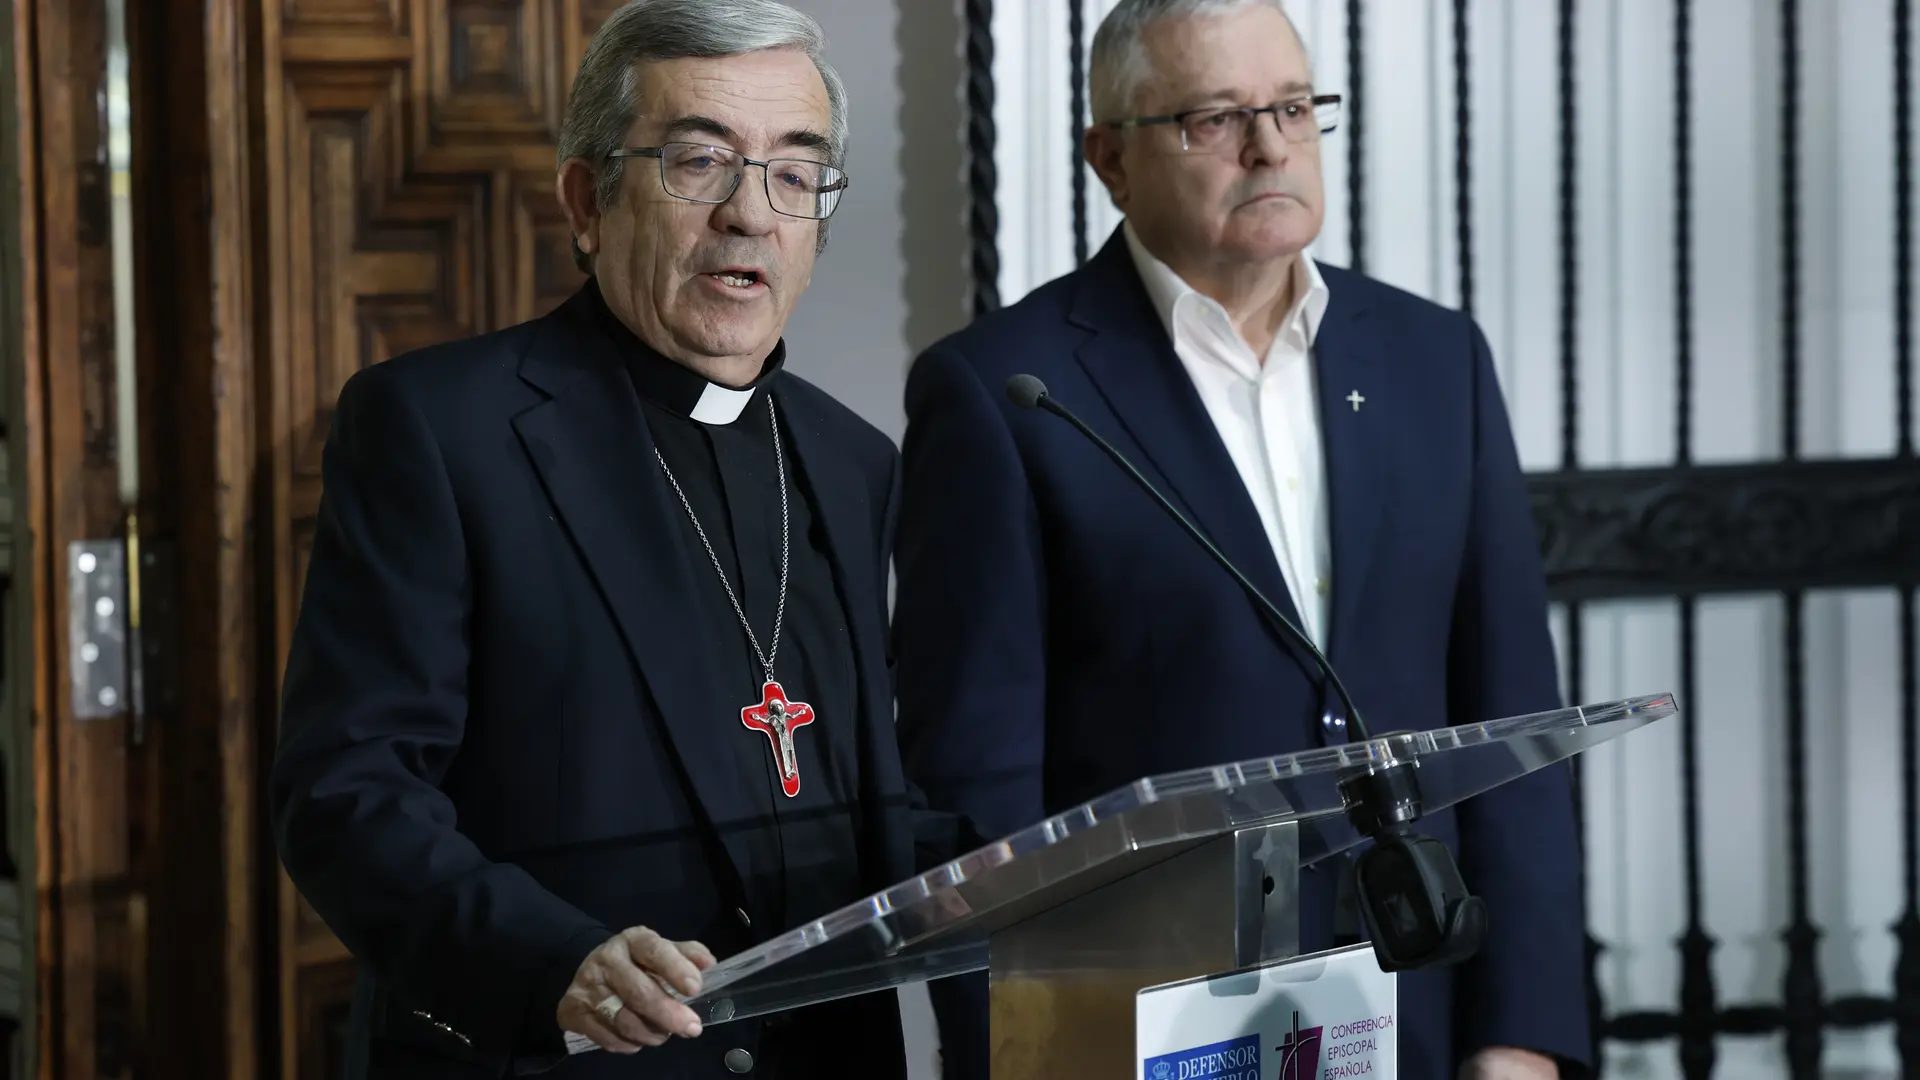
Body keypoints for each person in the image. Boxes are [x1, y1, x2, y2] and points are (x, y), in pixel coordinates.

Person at [892, 2, 1586, 1078]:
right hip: (1149, 1027)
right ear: (1109, 158)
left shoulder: (1432, 357)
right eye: (1214, 118)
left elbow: (1512, 727)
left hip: (1419, 1005)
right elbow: (981, 791)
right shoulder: (1005, 392)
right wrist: (1023, 1058)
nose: (1270, 147)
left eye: (1294, 107)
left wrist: (1525, 1033)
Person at [271, 2, 962, 1076]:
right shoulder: (442, 430)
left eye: (795, 172)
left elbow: (852, 794)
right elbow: (347, 795)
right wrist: (552, 962)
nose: (750, 215)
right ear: (589, 203)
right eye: (700, 162)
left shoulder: (851, 459)